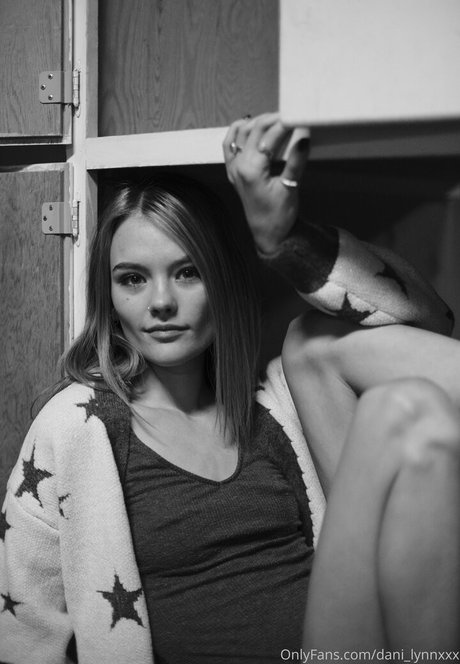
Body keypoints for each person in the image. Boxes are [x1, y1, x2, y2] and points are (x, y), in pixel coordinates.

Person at [0, 113, 457, 664]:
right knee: (403, 412)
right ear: (110, 298)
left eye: (188, 272)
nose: (161, 302)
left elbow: (429, 321)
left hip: (346, 651)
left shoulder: (280, 410)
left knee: (385, 394)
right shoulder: (78, 427)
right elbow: (25, 629)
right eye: (133, 279)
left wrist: (285, 240)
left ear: (222, 281)